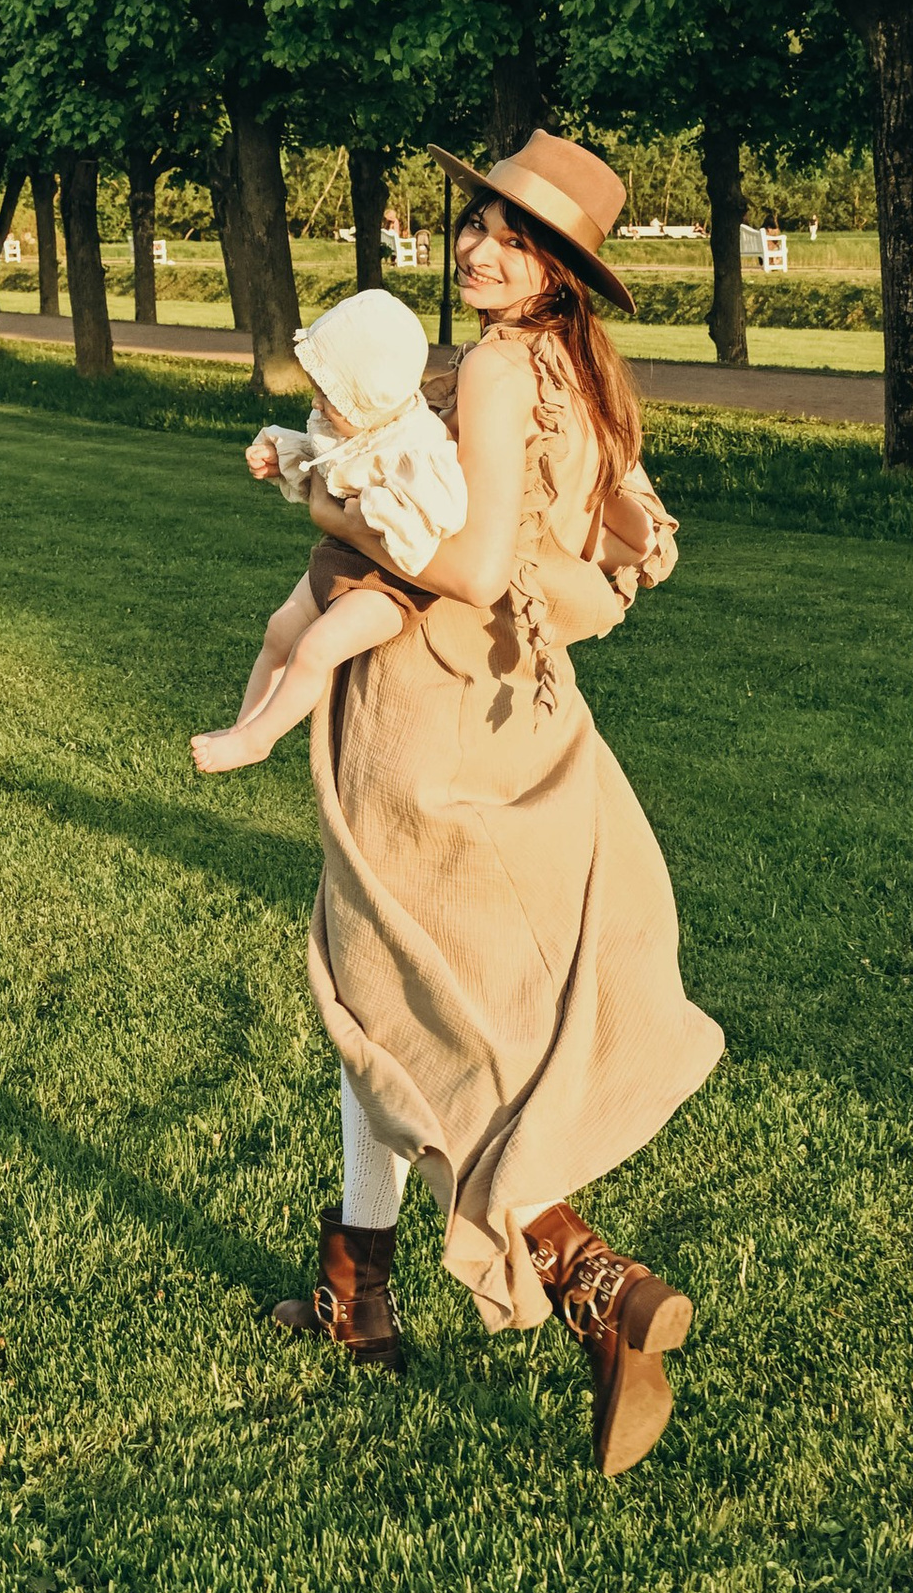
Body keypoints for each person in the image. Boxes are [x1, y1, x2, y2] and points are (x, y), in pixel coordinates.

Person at [262, 130, 724, 1478]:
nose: (479, 249)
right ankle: (360, 1294)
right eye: (477, 223)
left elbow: (461, 564)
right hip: (524, 712)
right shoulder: (583, 371)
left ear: (560, 271)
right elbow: (589, 563)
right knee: (385, 1001)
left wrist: (321, 503)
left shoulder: (502, 363)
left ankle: (597, 1288)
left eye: (514, 240)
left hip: (428, 716)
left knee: (405, 1012)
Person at [190, 289, 467, 776]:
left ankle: (260, 738)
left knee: (316, 647)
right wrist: (283, 458)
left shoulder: (419, 442)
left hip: (392, 584)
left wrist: (379, 508)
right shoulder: (351, 421)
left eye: (330, 395)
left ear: (370, 392)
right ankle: (243, 727)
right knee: (280, 630)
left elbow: (438, 514)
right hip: (341, 555)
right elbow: (326, 457)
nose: (318, 402)